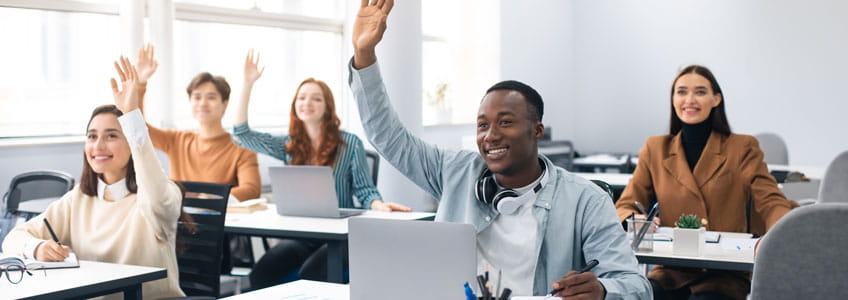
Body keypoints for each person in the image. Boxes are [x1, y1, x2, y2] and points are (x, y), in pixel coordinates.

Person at [347, 1, 651, 298]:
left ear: (537, 131)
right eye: (482, 125)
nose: (490, 136)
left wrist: (603, 290)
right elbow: (387, 136)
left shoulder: (586, 200)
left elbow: (636, 286)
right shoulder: (455, 171)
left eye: (505, 123)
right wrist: (364, 54)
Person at [1, 57, 185, 299]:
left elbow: (153, 188)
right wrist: (37, 247)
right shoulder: (78, 199)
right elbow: (13, 238)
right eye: (92, 136)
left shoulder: (158, 197)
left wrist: (131, 113)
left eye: (111, 136)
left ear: (130, 141)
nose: (98, 145)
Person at [614, 65, 798, 300]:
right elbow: (626, 204)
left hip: (725, 274)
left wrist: (780, 234)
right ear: (673, 99)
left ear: (716, 99)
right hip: (671, 271)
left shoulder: (742, 147)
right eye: (681, 92)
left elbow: (771, 200)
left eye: (700, 92)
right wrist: (634, 218)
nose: (689, 99)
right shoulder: (655, 148)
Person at [232, 49, 411, 288]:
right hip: (304, 236)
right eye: (301, 98)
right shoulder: (288, 145)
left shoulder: (349, 144)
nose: (307, 103)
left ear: (327, 107)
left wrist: (379, 206)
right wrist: (247, 84)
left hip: (341, 237)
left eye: (316, 98)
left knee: (311, 275)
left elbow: (365, 190)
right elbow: (241, 133)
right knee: (262, 273)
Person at [133, 44, 261, 203]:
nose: (203, 103)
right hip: (179, 221)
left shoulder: (242, 148)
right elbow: (138, 129)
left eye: (211, 97)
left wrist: (204, 197)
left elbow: (251, 190)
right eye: (197, 97)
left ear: (225, 103)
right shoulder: (178, 140)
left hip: (220, 223)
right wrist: (139, 85)